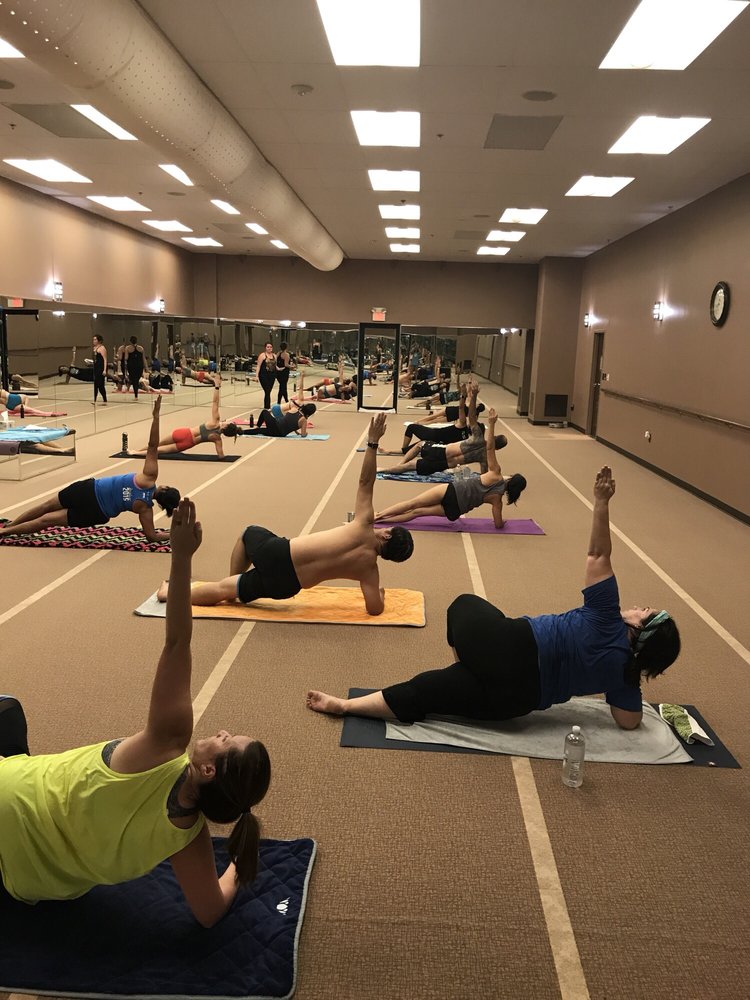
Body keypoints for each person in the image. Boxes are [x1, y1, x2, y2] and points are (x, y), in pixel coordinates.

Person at [0, 500, 271, 927]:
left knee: (7, 708)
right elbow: (210, 912)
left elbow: (177, 642)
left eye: (227, 740)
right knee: (10, 721)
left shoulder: (165, 745)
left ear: (208, 771)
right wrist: (239, 863)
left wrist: (181, 557)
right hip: (27, 885)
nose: (222, 731)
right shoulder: (189, 838)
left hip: (8, 798)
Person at [307, 466, 682, 730]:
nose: (637, 607)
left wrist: (601, 501)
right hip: (516, 703)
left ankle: (467, 664)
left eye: (644, 612)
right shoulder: (624, 677)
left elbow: (598, 555)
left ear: (639, 628)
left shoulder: (606, 615)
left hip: (508, 646)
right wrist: (628, 678)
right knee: (426, 692)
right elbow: (628, 721)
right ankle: (344, 705)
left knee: (463, 603)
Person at [157, 414, 414, 616]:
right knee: (225, 590)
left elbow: (365, 482)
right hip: (287, 587)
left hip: (279, 553)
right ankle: (178, 593)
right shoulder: (369, 571)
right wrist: (380, 594)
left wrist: (372, 442)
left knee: (248, 532)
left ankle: (207, 588)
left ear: (387, 534)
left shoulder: (364, 525)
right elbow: (374, 608)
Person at [0, 398, 179, 543]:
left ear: (164, 488)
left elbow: (153, 446)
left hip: (88, 490)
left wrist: (156, 417)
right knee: (46, 520)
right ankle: (6, 532)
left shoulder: (149, 477)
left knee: (45, 507)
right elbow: (152, 536)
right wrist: (173, 534)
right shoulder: (146, 510)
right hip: (97, 512)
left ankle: (10, 526)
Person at [375, 409, 526, 528]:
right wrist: (502, 523)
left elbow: (490, 448)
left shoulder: (496, 473)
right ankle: (381, 521)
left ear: (511, 478)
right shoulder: (497, 500)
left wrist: (492, 424)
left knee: (413, 503)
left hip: (452, 491)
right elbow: (498, 524)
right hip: (456, 510)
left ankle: (378, 516)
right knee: (417, 512)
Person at [381, 383, 505, 477]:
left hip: (440, 452)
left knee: (419, 445)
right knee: (409, 466)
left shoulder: (477, 437)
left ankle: (393, 466)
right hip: (444, 464)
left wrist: (473, 396)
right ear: (497, 448)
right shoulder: (484, 458)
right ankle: (393, 467)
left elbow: (471, 415)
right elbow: (484, 476)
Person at [127, 376, 238, 457]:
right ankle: (136, 453)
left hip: (184, 433)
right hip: (187, 443)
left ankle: (137, 451)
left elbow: (215, 402)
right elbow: (221, 456)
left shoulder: (215, 421)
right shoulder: (217, 439)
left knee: (157, 444)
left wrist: (217, 387)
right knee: (159, 451)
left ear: (226, 426)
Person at [256, 341, 276, 410]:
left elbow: (275, 365)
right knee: (267, 391)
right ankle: (267, 407)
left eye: (270, 347)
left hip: (272, 376)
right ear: (265, 348)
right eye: (268, 347)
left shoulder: (274, 356)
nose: (269, 348)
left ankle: (267, 407)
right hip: (263, 375)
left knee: (268, 391)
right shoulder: (262, 355)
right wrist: (256, 376)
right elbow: (258, 366)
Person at [125, 335, 146, 400]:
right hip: (139, 366)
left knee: (134, 381)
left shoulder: (128, 348)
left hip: (132, 366)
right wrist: (146, 368)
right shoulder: (141, 348)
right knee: (136, 380)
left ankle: (136, 396)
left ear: (130, 341)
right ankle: (135, 395)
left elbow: (126, 358)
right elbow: (144, 359)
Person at [92, 334, 107, 405]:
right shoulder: (94, 348)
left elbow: (105, 359)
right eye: (93, 339)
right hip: (96, 367)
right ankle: (94, 400)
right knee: (95, 384)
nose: (94, 341)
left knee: (100, 385)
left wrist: (104, 370)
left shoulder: (102, 348)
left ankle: (105, 399)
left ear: (99, 340)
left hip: (101, 368)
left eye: (95, 339)